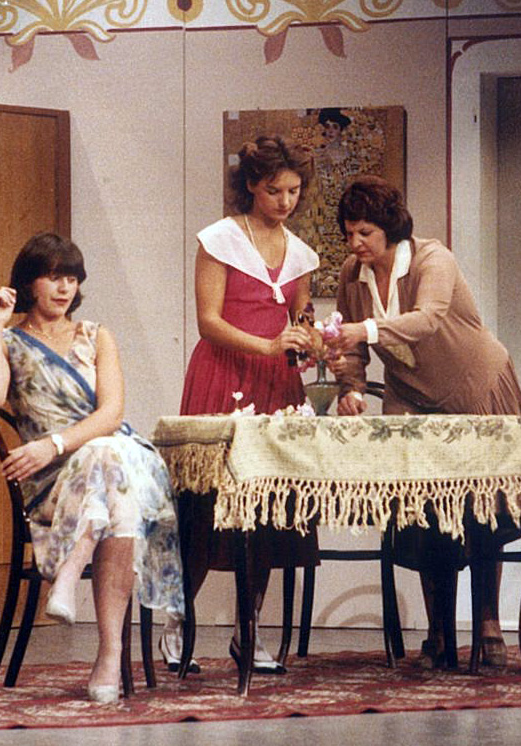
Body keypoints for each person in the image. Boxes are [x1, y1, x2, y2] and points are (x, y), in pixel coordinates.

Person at [0, 233, 185, 703]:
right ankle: (110, 655)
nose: (64, 288)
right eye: (53, 277)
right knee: (115, 482)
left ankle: (71, 577)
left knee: (107, 453)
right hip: (52, 483)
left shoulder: (96, 336)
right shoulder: (11, 341)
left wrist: (53, 443)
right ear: (29, 282)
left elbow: (111, 414)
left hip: (102, 459)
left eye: (71, 278)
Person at [328, 175, 521, 669]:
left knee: (484, 507)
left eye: (366, 233)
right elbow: (352, 350)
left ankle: (488, 624)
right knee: (423, 512)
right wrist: (351, 388)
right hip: (413, 398)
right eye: (349, 233)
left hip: (475, 389)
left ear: (390, 228)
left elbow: (429, 318)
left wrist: (364, 329)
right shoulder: (352, 274)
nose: (356, 244)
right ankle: (439, 629)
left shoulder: (432, 258)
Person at [174, 134, 319, 674]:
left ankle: (248, 629)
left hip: (276, 386)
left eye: (294, 191)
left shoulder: (301, 253)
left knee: (269, 511)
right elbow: (208, 321)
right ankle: (179, 620)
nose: (285, 201)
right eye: (275, 190)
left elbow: (300, 317)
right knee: (206, 506)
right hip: (223, 376)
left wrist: (310, 339)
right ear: (253, 186)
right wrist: (267, 346)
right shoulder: (220, 240)